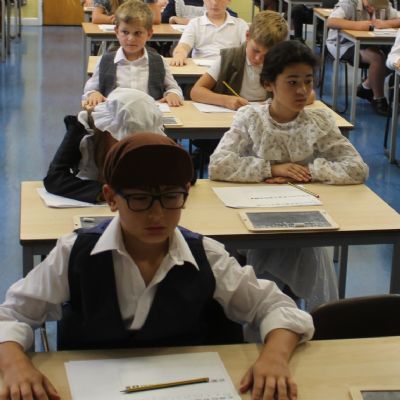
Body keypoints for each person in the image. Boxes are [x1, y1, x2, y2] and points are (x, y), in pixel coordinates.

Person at [0, 132, 314, 400]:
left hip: (187, 387)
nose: (157, 215)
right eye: (139, 199)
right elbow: (12, 314)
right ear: (111, 198)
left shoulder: (206, 255)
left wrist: (274, 358)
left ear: (186, 194)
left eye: (171, 197)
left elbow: (277, 307)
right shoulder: (75, 254)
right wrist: (15, 365)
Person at [209, 40, 369, 311]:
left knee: (303, 245)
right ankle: (298, 315)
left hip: (303, 216)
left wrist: (307, 172)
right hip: (253, 221)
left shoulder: (318, 121)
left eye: (308, 81)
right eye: (292, 82)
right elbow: (218, 165)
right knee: (299, 249)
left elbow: (357, 168)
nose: (302, 90)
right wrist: (271, 169)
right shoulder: (251, 118)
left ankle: (275, 313)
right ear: (269, 84)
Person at [44, 88, 165, 204]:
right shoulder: (82, 128)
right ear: (108, 128)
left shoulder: (152, 140)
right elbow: (55, 178)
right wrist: (105, 193)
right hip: (92, 202)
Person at [83, 0, 183, 109]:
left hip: (148, 115)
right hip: (115, 115)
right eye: (125, 32)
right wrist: (93, 94)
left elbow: (174, 88)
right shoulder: (105, 61)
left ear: (149, 34)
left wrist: (172, 94)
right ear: (117, 32)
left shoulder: (159, 61)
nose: (131, 39)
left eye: (138, 33)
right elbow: (90, 89)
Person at [190, 10, 288, 110]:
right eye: (255, 50)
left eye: (267, 55)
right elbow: (196, 91)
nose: (258, 58)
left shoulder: (281, 64)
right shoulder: (229, 58)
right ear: (247, 36)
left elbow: (297, 95)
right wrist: (225, 100)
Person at [326, 0, 400, 116]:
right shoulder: (349, 3)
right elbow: (331, 21)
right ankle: (378, 98)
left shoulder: (383, 3)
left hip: (371, 43)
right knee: (378, 58)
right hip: (343, 43)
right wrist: (358, 25)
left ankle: (366, 86)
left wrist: (385, 24)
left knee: (393, 59)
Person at [170, 0, 248, 66]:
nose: (214, 3)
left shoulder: (241, 25)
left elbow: (248, 49)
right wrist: (179, 55)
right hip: (200, 70)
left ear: (229, 1)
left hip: (229, 71)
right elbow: (183, 46)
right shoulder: (195, 23)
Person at [92, 0, 167, 25]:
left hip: (141, 36)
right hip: (113, 38)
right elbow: (96, 17)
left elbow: (156, 19)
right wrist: (114, 19)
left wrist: (130, 19)